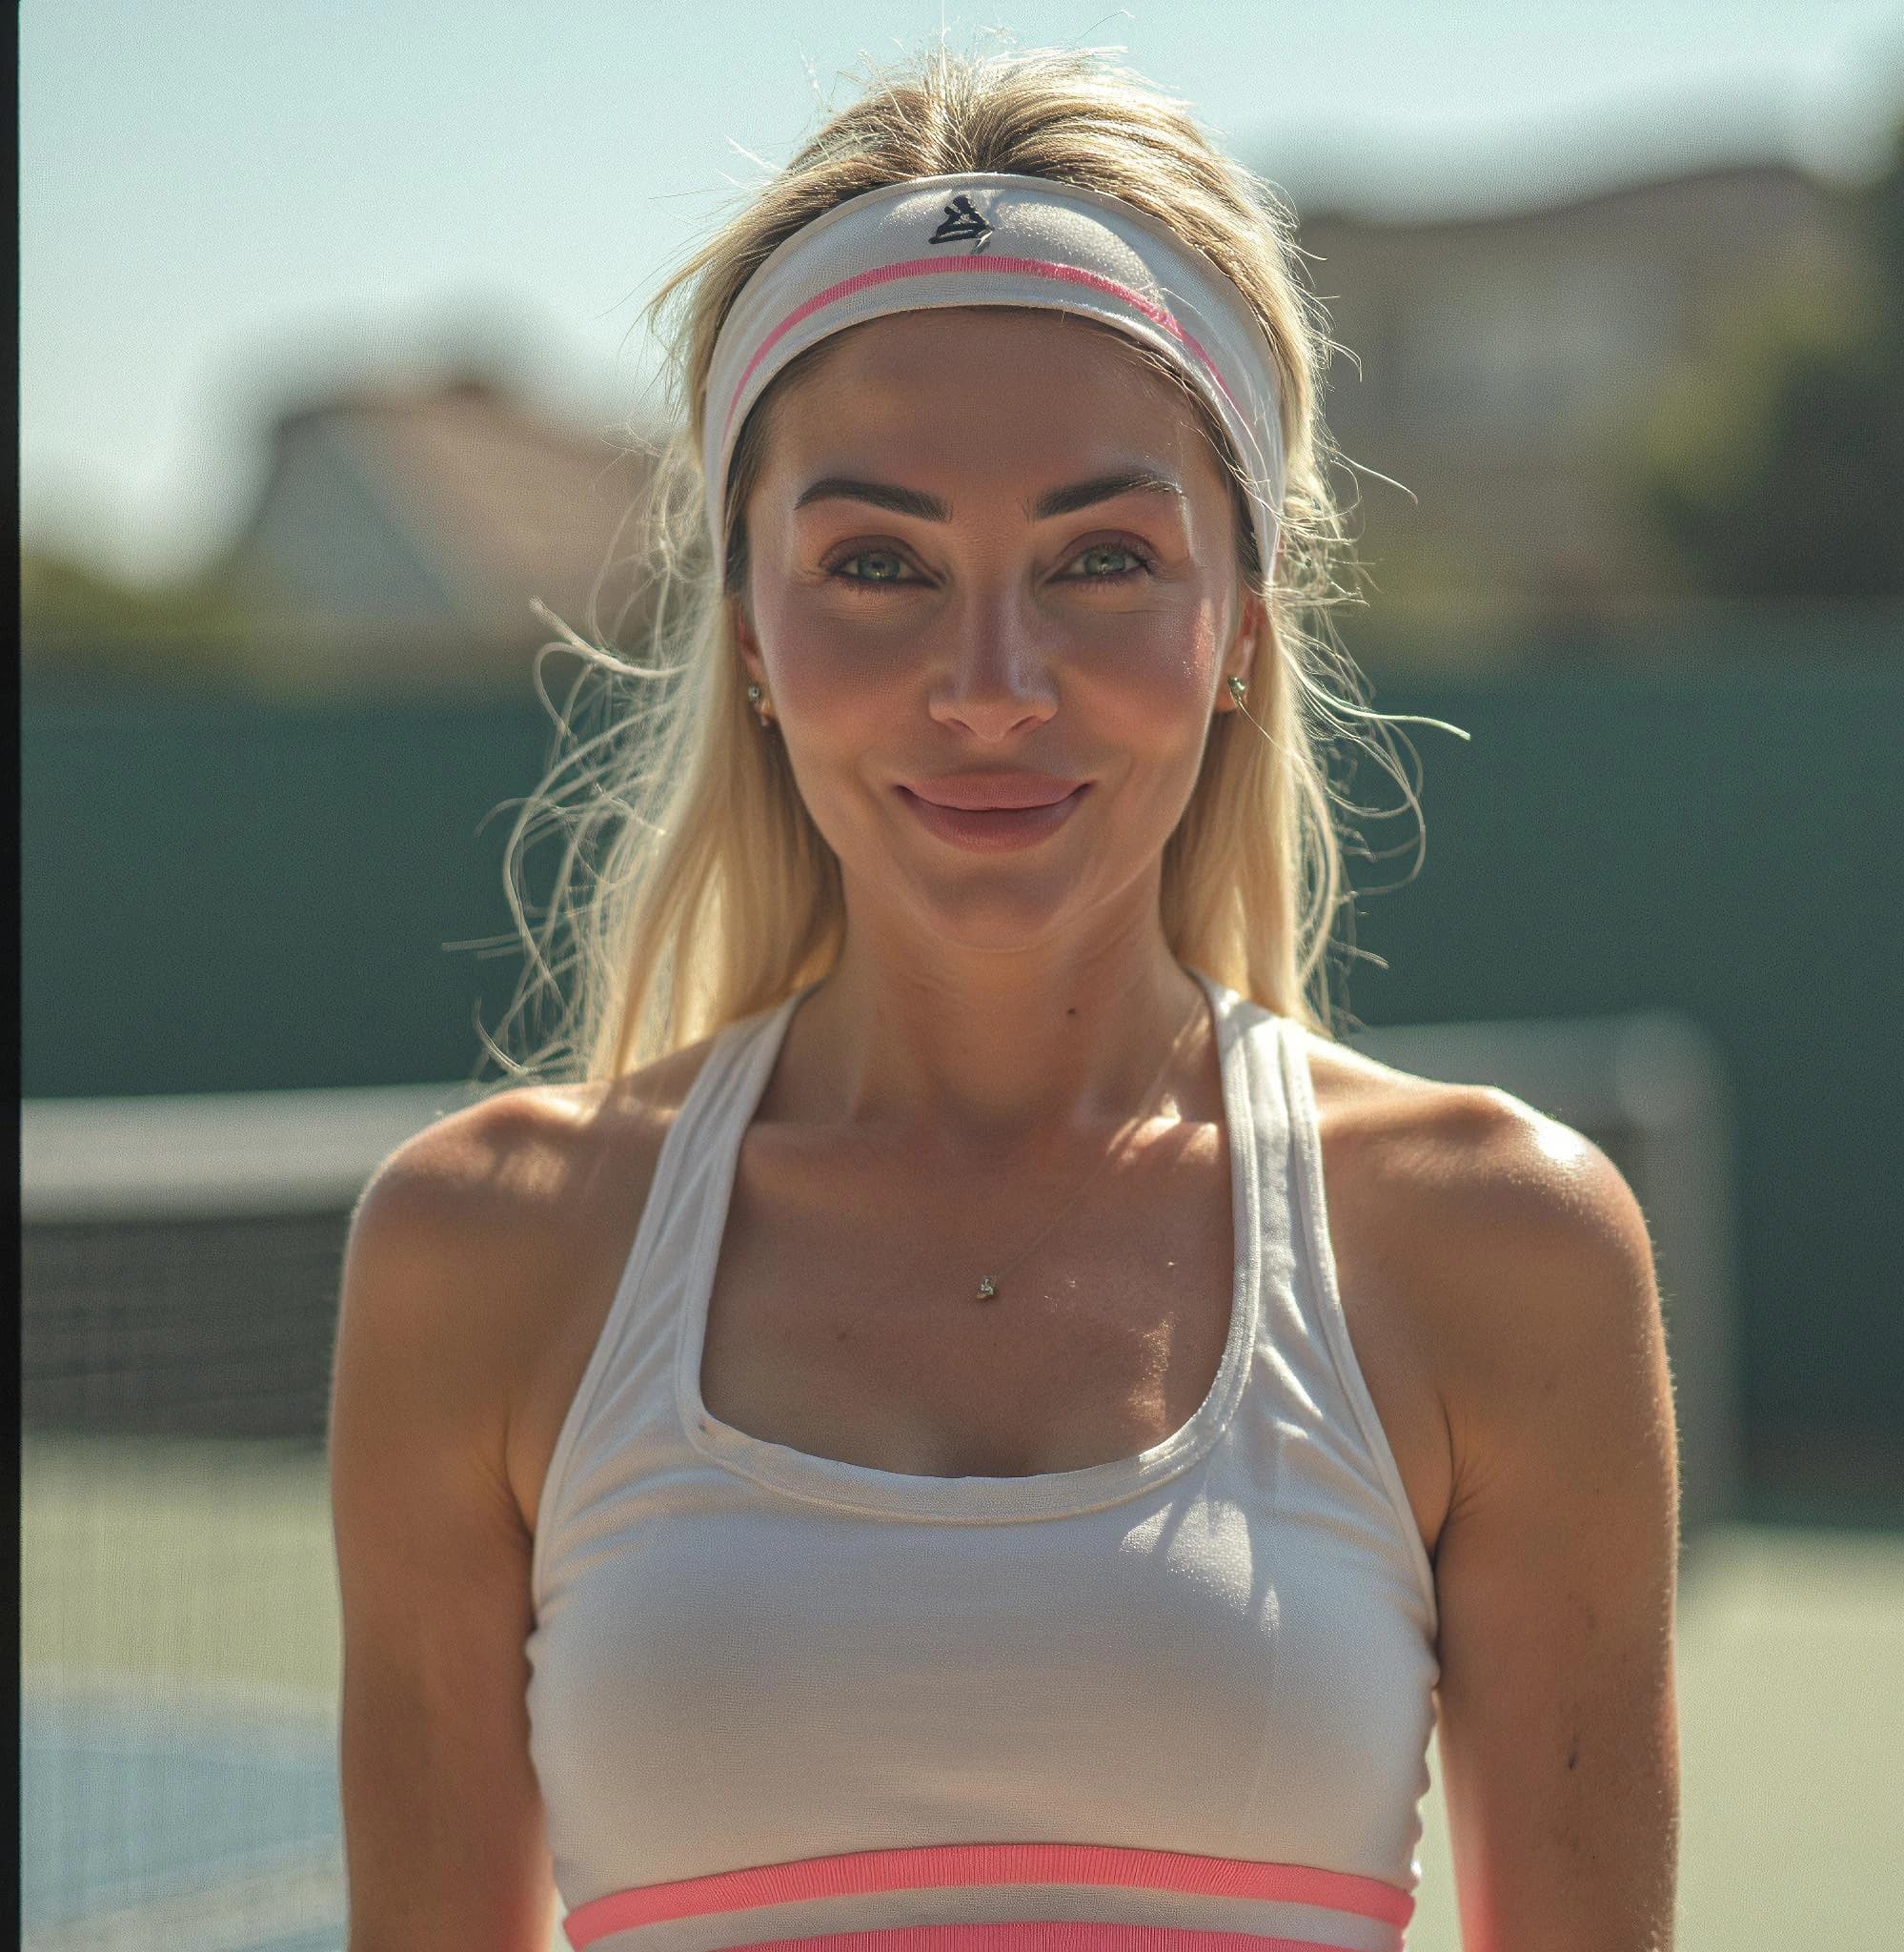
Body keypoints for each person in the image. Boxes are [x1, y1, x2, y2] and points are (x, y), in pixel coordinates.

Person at [329, 44, 1680, 1952]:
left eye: (1102, 558)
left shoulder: (1504, 1247)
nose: (989, 684)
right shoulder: (478, 1254)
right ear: (749, 631)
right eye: (875, 561)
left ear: (1240, 622)